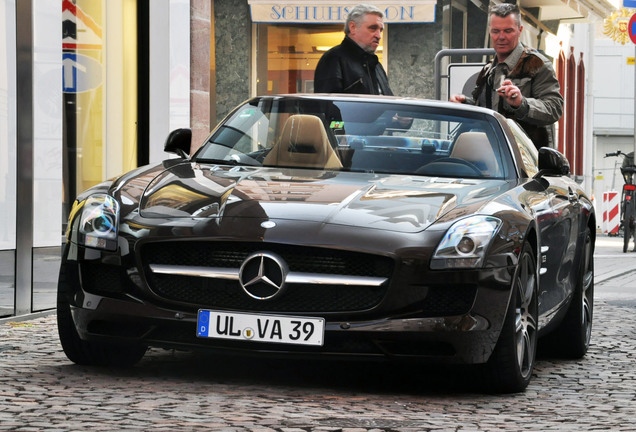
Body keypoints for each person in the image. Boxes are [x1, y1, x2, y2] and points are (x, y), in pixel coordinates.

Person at [450, 3, 563, 149]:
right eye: (496, 31)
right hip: (492, 157)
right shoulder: (488, 69)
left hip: (527, 161)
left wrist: (521, 103)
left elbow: (554, 108)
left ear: (519, 30)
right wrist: (465, 104)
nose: (501, 37)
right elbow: (489, 111)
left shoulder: (537, 64)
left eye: (508, 31)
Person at [314, 4, 393, 95]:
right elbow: (327, 106)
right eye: (373, 28)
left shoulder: (376, 65)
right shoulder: (333, 59)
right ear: (353, 27)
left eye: (381, 30)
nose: (379, 36)